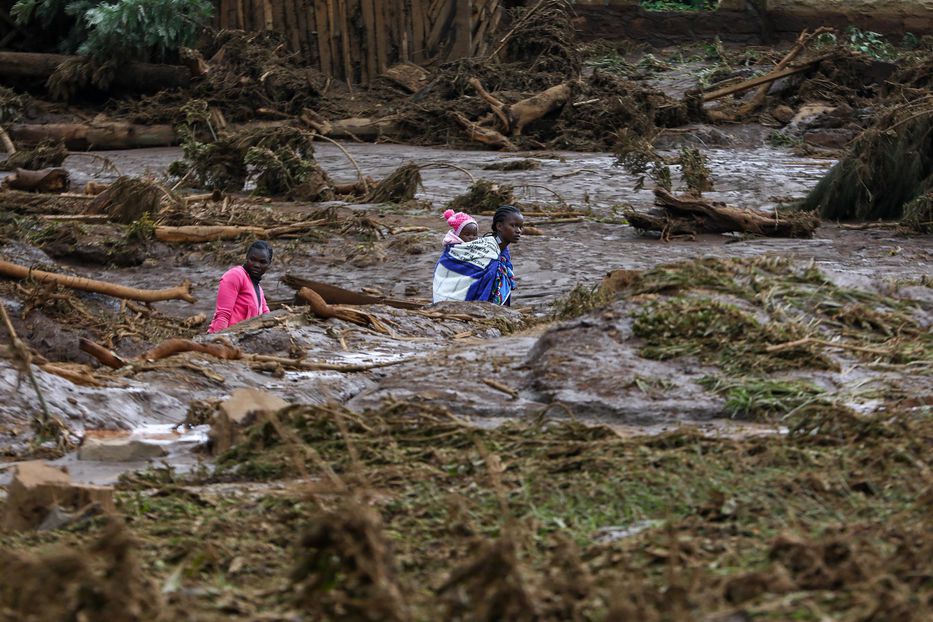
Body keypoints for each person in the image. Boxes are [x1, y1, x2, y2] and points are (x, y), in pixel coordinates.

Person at [432, 205, 523, 305]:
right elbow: (449, 262)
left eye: (520, 227)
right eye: (513, 225)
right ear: (499, 226)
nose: (518, 230)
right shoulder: (487, 249)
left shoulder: (501, 251)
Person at [208, 240, 273, 333]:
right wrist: (217, 341)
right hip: (226, 338)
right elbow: (223, 315)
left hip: (243, 340)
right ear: (246, 257)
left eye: (262, 262)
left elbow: (266, 317)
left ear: (269, 264)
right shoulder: (235, 275)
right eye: (253, 259)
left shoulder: (259, 289)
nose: (256, 265)